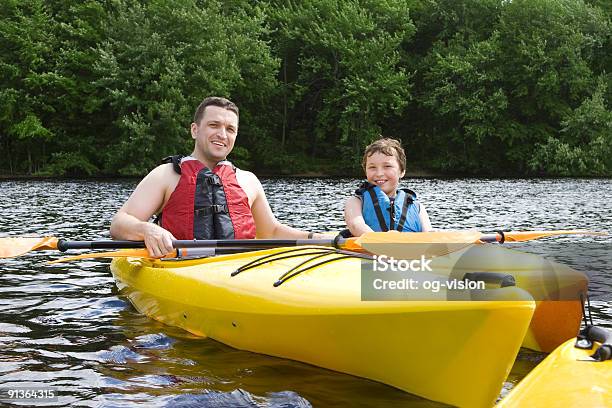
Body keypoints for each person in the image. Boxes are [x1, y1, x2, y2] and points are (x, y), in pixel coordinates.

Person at [110, 96, 321, 257]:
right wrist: (147, 230)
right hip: (181, 268)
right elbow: (119, 224)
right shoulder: (166, 175)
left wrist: (318, 238)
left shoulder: (248, 181)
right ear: (195, 129)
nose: (222, 134)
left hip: (238, 269)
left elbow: (271, 232)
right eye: (214, 125)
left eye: (230, 129)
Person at [344, 137, 432, 236]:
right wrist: (383, 242)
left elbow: (428, 235)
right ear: (365, 171)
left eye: (387, 166)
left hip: (409, 250)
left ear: (402, 171)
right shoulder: (355, 202)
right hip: (369, 249)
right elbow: (356, 225)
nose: (379, 173)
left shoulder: (417, 207)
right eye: (372, 167)